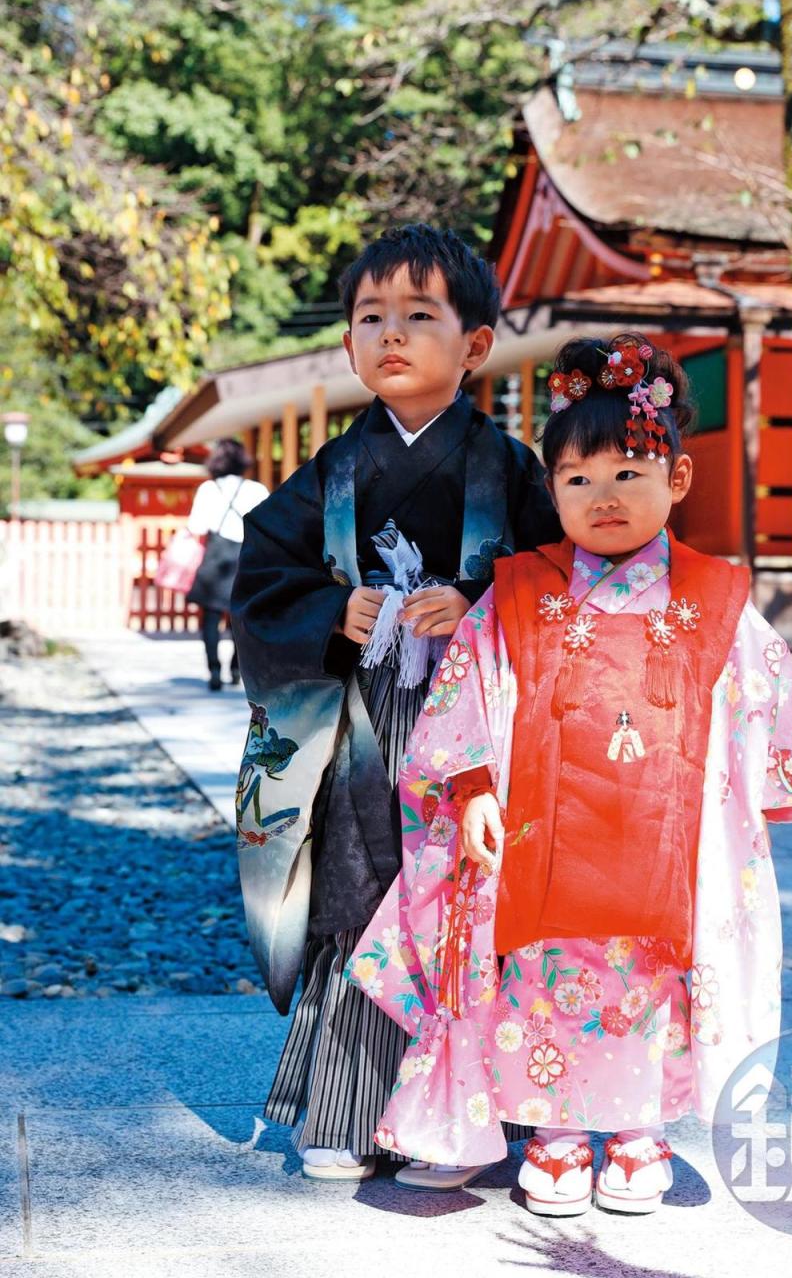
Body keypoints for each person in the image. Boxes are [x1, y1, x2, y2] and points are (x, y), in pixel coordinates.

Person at [348, 333, 792, 1213]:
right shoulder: (519, 593)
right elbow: (466, 690)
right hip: (541, 836)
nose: (603, 496)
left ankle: (642, 1128)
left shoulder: (714, 596)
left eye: (628, 472)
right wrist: (469, 790)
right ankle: (557, 1135)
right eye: (577, 480)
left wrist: (754, 792)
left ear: (677, 481)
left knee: (650, 984)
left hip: (668, 839)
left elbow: (760, 696)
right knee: (544, 979)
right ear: (552, 491)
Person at [230, 224, 562, 1184]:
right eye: (370, 317)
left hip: (469, 728)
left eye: (420, 315)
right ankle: (341, 1108)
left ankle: (450, 1118)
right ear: (347, 345)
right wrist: (337, 607)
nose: (391, 334)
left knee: (459, 901)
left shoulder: (507, 467)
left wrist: (480, 600)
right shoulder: (333, 471)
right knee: (353, 891)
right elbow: (263, 578)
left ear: (474, 345)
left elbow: (555, 574)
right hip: (355, 723)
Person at [185, 440, 268, 691]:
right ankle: (235, 669)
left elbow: (196, 527)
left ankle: (213, 670)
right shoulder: (257, 489)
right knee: (239, 619)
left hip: (216, 556)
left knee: (210, 618)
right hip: (246, 558)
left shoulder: (209, 489)